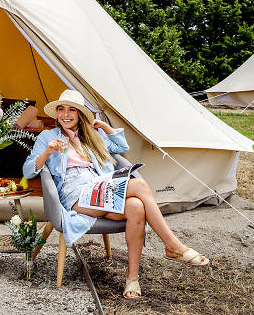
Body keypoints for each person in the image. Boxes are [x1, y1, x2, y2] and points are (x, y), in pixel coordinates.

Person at [23, 89, 208, 299]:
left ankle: (132, 279)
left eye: (72, 110)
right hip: (75, 193)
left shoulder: (91, 136)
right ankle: (172, 245)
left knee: (137, 207)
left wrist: (103, 126)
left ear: (80, 114)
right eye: (61, 109)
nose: (65, 114)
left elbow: (121, 146)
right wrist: (47, 152)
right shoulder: (49, 136)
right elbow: (28, 170)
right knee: (138, 186)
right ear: (56, 113)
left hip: (100, 187)